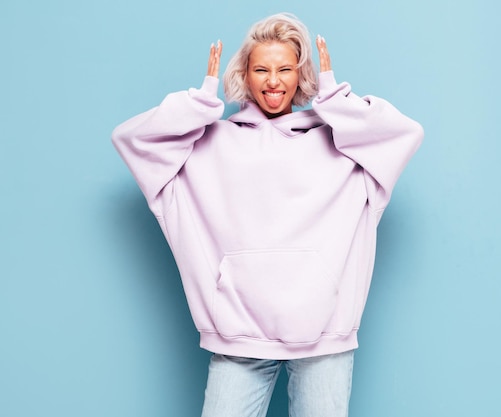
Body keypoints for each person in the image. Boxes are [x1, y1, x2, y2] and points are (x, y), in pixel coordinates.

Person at [112, 12, 423, 417]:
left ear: (301, 74)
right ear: (245, 73)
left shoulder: (344, 146)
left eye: (285, 69)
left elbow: (405, 134)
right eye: (261, 69)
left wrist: (336, 103)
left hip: (324, 336)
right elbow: (132, 139)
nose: (273, 81)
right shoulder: (210, 144)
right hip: (239, 333)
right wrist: (199, 105)